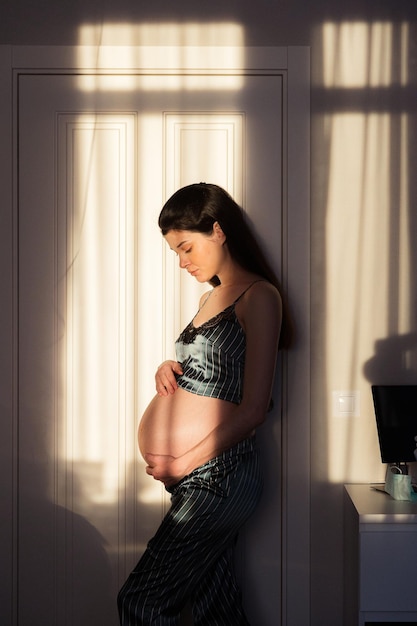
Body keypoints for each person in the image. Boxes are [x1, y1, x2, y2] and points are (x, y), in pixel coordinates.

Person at [117, 183, 292, 625]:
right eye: (175, 251)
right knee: (218, 609)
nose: (182, 261)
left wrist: (182, 463)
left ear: (217, 230)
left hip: (220, 475)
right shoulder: (209, 298)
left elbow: (253, 410)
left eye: (186, 246)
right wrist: (168, 366)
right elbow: (212, 367)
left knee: (141, 602)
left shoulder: (260, 296)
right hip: (197, 476)